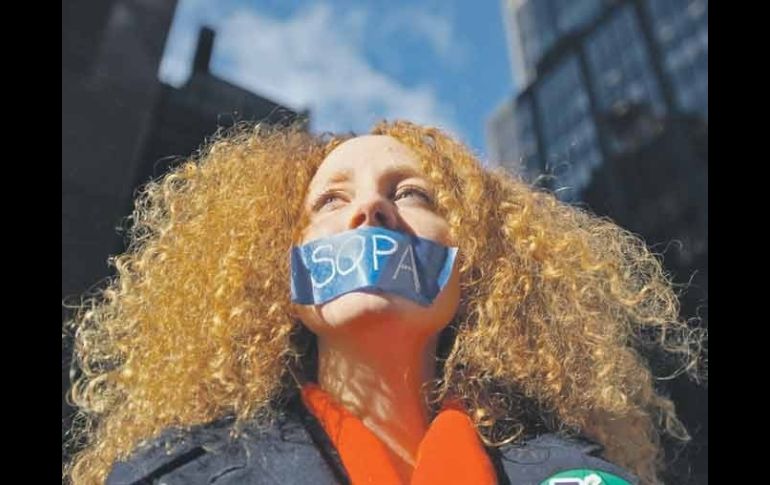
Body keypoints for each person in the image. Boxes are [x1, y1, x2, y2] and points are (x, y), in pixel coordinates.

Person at [64, 120, 704, 484]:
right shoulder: (172, 476)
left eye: (414, 195)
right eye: (330, 201)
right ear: (278, 275)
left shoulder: (580, 480)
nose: (372, 209)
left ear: (473, 267)